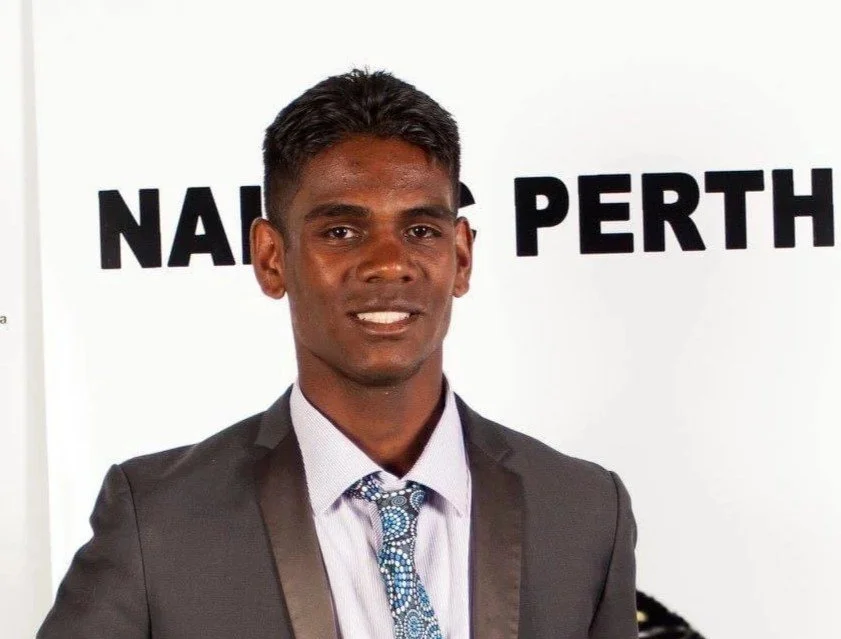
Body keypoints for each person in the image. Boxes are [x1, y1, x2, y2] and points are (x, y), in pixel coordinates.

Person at [38, 69, 637, 639]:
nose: (389, 264)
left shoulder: (584, 511)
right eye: (341, 232)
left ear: (461, 256)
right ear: (271, 258)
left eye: (421, 230)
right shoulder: (157, 520)